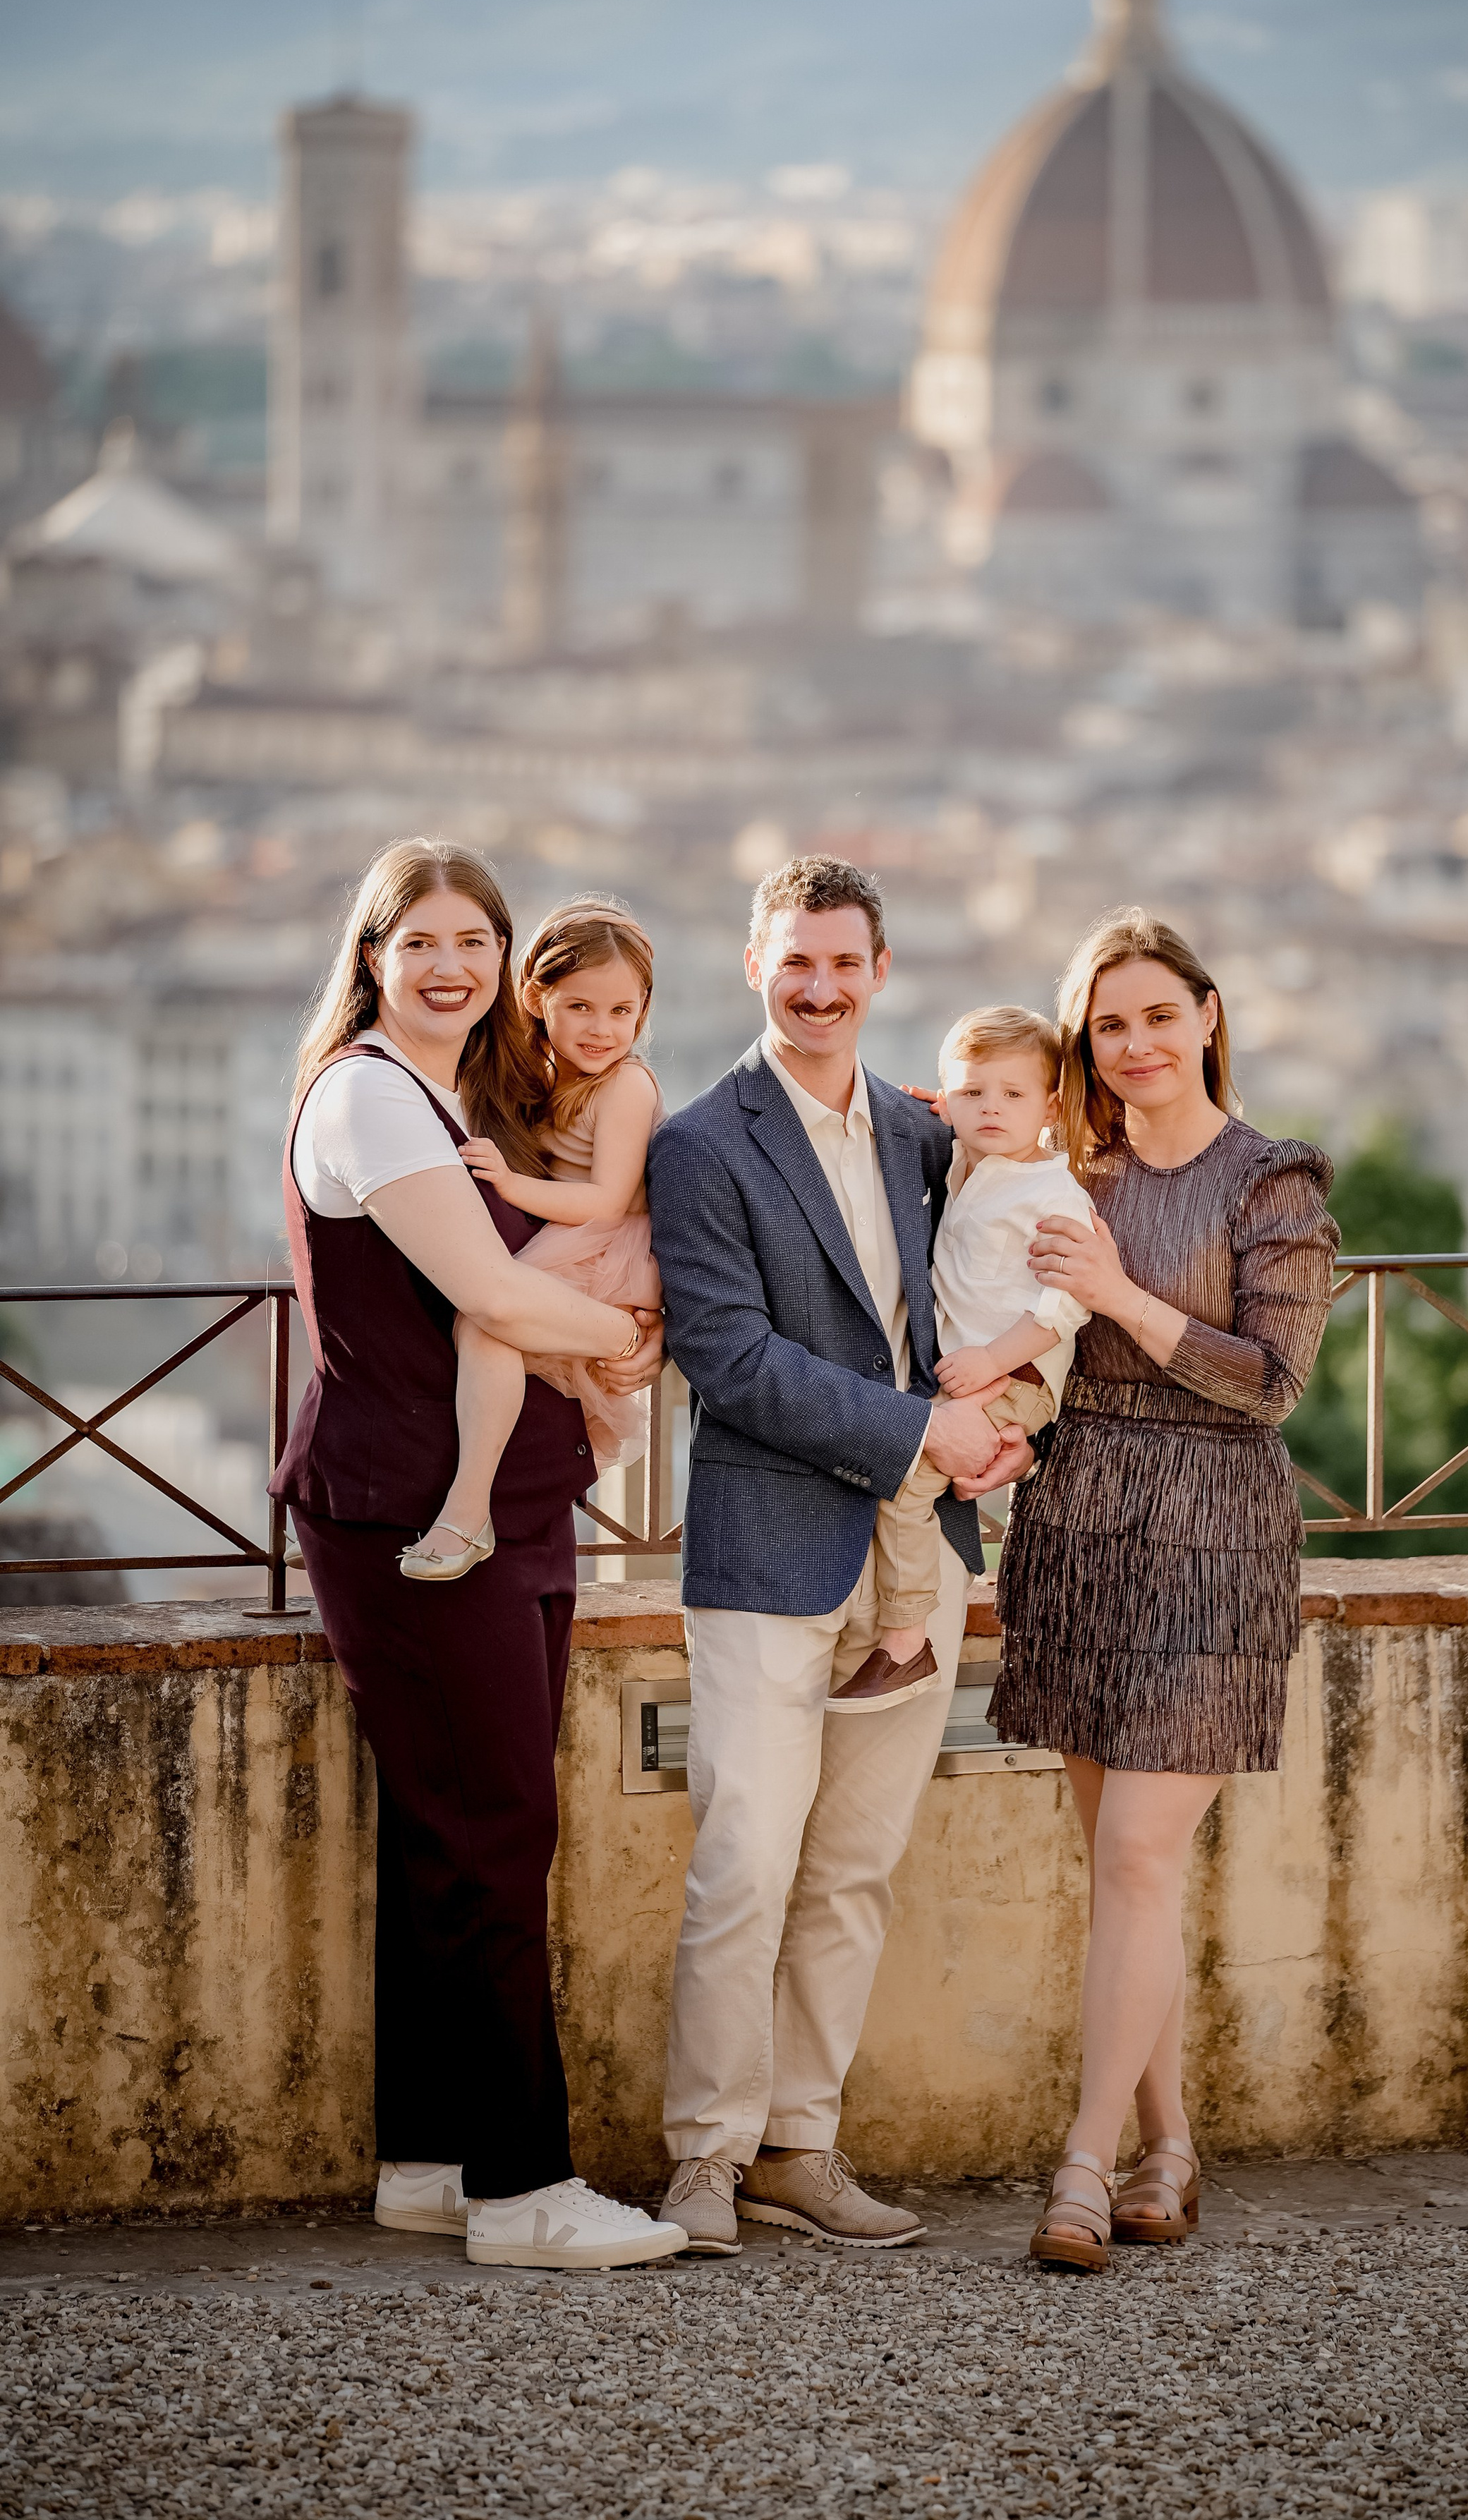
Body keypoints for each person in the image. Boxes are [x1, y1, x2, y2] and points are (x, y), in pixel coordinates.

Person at [271, 838, 685, 2272]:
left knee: (447, 1835)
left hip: (499, 1504)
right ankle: (522, 2191)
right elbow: (495, 1291)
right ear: (372, 958)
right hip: (411, 1518)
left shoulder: (459, 1093)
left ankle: (431, 2161)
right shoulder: (375, 1102)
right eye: (420, 943)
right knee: (497, 1832)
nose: (450, 967)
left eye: (474, 942)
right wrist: (637, 1333)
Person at [645, 854, 1027, 2256]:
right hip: (766, 1546)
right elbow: (728, 1361)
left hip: (913, 1553)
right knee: (743, 1860)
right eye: (792, 962)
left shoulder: (928, 1141)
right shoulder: (699, 1143)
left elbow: (994, 1275)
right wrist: (929, 1431)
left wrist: (1003, 1414)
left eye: (842, 965)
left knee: (853, 1869)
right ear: (754, 965)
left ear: (878, 973)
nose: (817, 988)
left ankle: (798, 2147)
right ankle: (702, 2158)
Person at [991, 906, 1337, 2271]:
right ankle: (1171, 2144)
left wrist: (1123, 1299)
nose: (1133, 1044)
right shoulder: (1066, 1172)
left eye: (1155, 1015)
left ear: (1206, 1015)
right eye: (1107, 1024)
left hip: (1217, 1531)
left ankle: (1081, 2166)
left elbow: (1273, 1382)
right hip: (1078, 1522)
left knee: (1137, 1856)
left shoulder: (1275, 1178)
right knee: (1126, 1875)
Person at [829, 1002, 1093, 1711]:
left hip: (1016, 1374)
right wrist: (939, 1113)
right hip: (979, 1372)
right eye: (973, 1093)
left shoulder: (1051, 1191)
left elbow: (1067, 1304)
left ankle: (906, 1643)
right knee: (907, 1464)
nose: (992, 1109)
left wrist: (992, 1364)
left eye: (1013, 1095)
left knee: (906, 1473)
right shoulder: (971, 1164)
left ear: (1051, 1106)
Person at [403, 897, 665, 1581]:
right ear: (535, 996)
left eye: (621, 1011)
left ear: (643, 1010)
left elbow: (607, 1198)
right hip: (573, 1238)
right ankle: (414, 1496)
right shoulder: (548, 1076)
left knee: (486, 1324)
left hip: (605, 1246)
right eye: (580, 1006)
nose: (603, 1029)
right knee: (469, 1326)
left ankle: (467, 1507)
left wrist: (510, 1186)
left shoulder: (627, 1085)